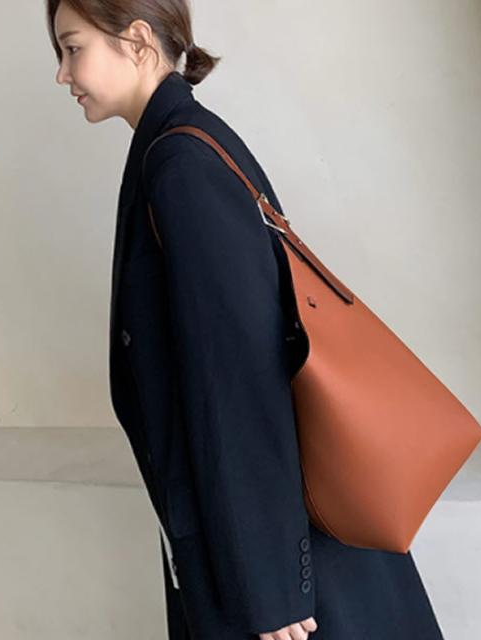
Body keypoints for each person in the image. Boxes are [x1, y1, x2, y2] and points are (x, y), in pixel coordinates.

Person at [48, 1, 447, 638]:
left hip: (273, 569)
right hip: (257, 539)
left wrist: (272, 588)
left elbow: (239, 377)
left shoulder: (181, 166)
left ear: (137, 39)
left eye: (73, 48)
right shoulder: (179, 145)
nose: (63, 73)